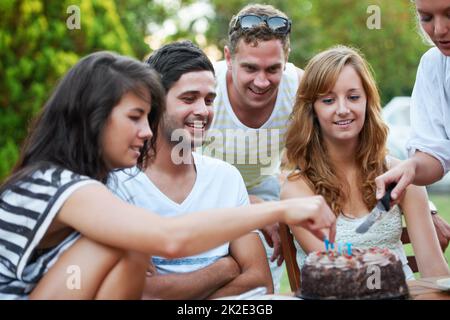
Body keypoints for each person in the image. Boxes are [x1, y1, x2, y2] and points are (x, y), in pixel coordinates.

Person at [0, 51, 335, 299]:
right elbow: (169, 238)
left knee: (131, 245)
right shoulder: (61, 184)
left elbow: (258, 281)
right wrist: (279, 210)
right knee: (127, 243)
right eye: (135, 117)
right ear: (94, 118)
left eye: (148, 118)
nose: (146, 132)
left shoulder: (82, 184)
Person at [109, 41, 272, 299]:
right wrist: (224, 268)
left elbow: (259, 282)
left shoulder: (226, 179)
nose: (203, 111)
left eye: (209, 100)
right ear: (154, 102)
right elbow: (144, 294)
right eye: (189, 98)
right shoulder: (118, 184)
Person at [281, 45, 449, 279]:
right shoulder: (298, 188)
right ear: (312, 110)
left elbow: (436, 274)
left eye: (353, 97)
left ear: (367, 102)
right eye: (328, 100)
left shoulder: (403, 175)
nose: (343, 109)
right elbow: (337, 277)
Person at [200, 3, 304, 292]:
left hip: (265, 191)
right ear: (228, 58)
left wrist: (427, 208)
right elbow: (180, 169)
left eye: (273, 69)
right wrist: (254, 208)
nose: (262, 81)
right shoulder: (206, 89)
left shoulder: (299, 86)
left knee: (257, 290)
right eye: (249, 68)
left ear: (287, 59)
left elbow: (359, 135)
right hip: (203, 195)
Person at [375, 0, 450, 252]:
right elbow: (435, 154)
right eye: (426, 18)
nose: (439, 30)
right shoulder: (434, 66)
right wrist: (412, 167)